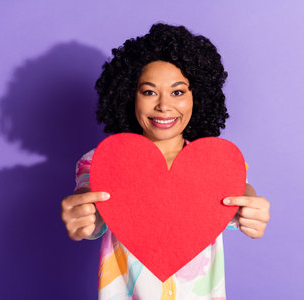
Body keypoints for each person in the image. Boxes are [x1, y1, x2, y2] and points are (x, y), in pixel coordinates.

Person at [61, 23, 270, 300]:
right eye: (149, 92)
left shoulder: (216, 162)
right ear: (128, 95)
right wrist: (84, 216)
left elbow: (238, 192)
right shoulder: (101, 160)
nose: (163, 105)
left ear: (198, 96)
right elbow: (92, 204)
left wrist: (250, 207)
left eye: (178, 91)